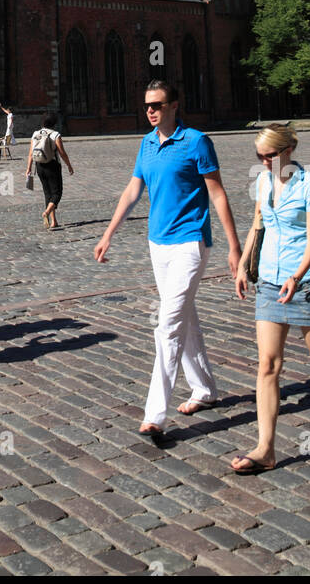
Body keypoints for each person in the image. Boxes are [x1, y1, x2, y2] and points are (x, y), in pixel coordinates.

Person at [94, 80, 242, 442]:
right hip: (157, 244)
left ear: (175, 105)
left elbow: (217, 193)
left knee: (168, 323)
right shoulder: (146, 144)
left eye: (158, 105)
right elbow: (133, 190)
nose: (150, 111)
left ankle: (154, 415)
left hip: (191, 243)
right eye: (147, 105)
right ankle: (204, 388)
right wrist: (109, 232)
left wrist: (235, 247)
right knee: (184, 316)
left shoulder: (196, 142)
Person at [231, 124, 310, 473]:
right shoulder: (263, 181)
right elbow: (258, 224)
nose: (264, 161)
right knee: (268, 364)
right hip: (269, 283)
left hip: (306, 284)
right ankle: (265, 449)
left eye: (269, 155)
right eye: (259, 156)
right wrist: (243, 265)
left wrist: (296, 276)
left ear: (287, 150)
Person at [25, 114, 73, 229]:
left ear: (43, 123)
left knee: (48, 193)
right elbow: (62, 153)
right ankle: (46, 212)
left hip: (39, 166)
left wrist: (28, 168)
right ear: (54, 124)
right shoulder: (55, 134)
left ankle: (53, 221)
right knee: (57, 193)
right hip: (53, 165)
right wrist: (69, 165)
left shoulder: (35, 134)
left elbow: (31, 154)